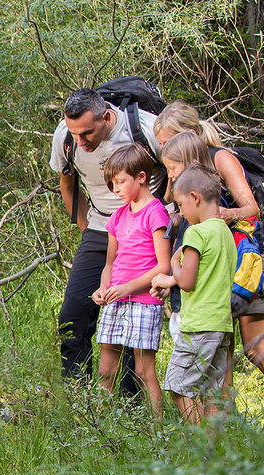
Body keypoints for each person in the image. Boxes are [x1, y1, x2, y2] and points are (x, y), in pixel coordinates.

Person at [153, 103, 264, 421]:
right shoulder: (183, 175)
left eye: (171, 142)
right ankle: (223, 428)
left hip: (248, 261)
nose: (168, 150)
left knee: (256, 347)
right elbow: (171, 202)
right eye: (163, 146)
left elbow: (250, 208)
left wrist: (221, 214)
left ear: (191, 134)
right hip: (215, 266)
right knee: (220, 350)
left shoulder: (220, 158)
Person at [49, 88, 162, 390]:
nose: (81, 141)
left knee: (132, 314)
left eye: (87, 133)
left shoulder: (147, 129)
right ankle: (77, 395)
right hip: (102, 227)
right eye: (76, 133)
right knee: (74, 311)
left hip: (147, 230)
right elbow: (67, 180)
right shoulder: (66, 136)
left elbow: (182, 170)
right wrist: (85, 225)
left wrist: (167, 219)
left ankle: (130, 404)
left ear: (107, 117)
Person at [150, 165, 236, 424]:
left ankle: (200, 445)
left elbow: (186, 282)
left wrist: (174, 262)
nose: (181, 212)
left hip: (198, 325)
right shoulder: (225, 232)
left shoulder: (196, 233)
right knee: (211, 392)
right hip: (222, 325)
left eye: (181, 204)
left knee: (178, 388)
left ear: (195, 198)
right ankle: (211, 453)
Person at [91, 143, 171, 414]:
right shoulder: (117, 216)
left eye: (120, 182)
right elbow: (109, 263)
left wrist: (126, 287)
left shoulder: (155, 212)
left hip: (144, 301)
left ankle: (157, 429)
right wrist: (104, 288)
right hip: (115, 298)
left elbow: (164, 265)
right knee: (106, 369)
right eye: (112, 184)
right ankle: (101, 425)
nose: (116, 189)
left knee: (143, 370)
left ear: (141, 177)